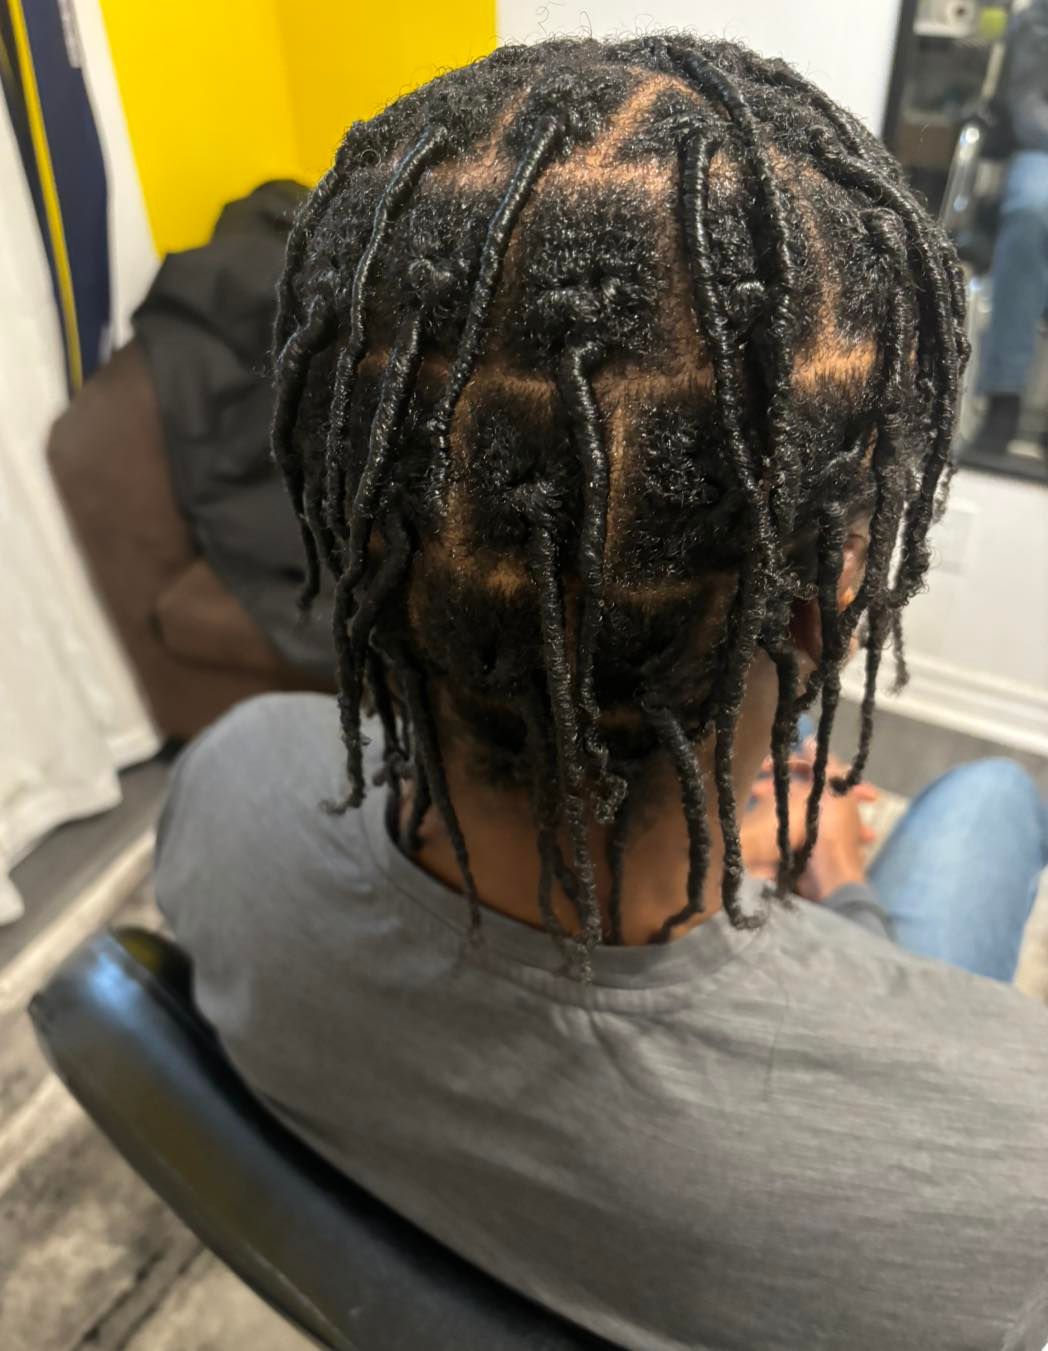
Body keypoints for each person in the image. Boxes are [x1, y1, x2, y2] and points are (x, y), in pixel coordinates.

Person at [154, 35, 1048, 1351]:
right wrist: (836, 896)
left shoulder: (230, 780)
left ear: (362, 511)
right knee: (991, 802)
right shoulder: (1011, 1154)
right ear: (830, 603)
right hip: (808, 1107)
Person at [969, 0, 1048, 459]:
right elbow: (1029, 109)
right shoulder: (1037, 21)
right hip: (1043, 150)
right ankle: (1004, 394)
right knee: (1032, 211)